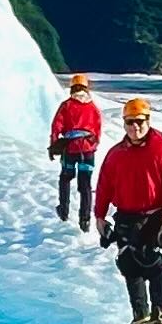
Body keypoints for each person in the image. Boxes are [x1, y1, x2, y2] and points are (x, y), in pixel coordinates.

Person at [94, 97, 162, 324]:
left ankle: (160, 316)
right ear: (124, 124)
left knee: (153, 263)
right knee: (128, 263)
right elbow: (104, 185)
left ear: (147, 121)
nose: (134, 127)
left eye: (139, 121)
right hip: (126, 215)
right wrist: (99, 216)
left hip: (155, 216)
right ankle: (140, 316)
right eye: (129, 122)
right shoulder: (116, 154)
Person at [48, 72, 102, 231]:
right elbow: (97, 129)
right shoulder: (93, 107)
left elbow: (56, 127)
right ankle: (84, 220)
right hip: (87, 149)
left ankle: (64, 210)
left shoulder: (66, 105)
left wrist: (54, 145)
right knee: (85, 185)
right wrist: (94, 145)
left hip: (70, 149)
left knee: (65, 178)